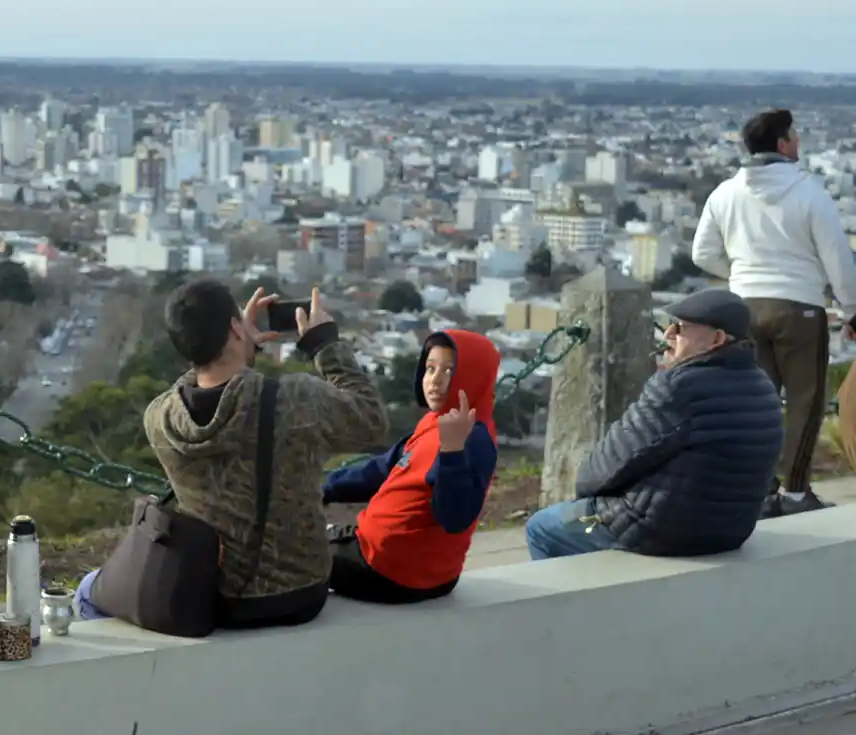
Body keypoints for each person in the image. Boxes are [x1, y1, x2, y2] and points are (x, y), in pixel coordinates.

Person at [75, 281, 386, 629]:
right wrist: (325, 344)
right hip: (298, 593)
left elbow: (203, 387)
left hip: (207, 595)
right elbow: (371, 421)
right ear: (236, 328)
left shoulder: (159, 419)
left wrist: (226, 348)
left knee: (87, 591)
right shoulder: (296, 399)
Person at [525, 289, 782, 561]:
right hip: (731, 531)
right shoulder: (763, 386)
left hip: (659, 531)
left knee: (542, 527)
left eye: (681, 328)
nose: (669, 334)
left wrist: (584, 502)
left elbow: (601, 469)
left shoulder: (677, 387)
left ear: (716, 339)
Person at [692, 108, 856, 515]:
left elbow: (702, 253)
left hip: (745, 306)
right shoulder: (809, 192)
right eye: (795, 135)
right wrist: (851, 309)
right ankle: (796, 494)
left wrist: (743, 275)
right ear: (782, 144)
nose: (799, 141)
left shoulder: (725, 193)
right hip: (799, 306)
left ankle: (760, 492)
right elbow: (837, 258)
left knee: (757, 403)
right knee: (805, 400)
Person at [322, 329, 500, 603]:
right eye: (430, 369)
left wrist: (452, 451)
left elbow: (455, 517)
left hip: (394, 572)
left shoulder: (472, 440)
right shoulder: (437, 421)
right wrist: (326, 487)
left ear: (473, 376)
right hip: (386, 555)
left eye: (449, 371)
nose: (435, 381)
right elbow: (386, 467)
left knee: (289, 551)